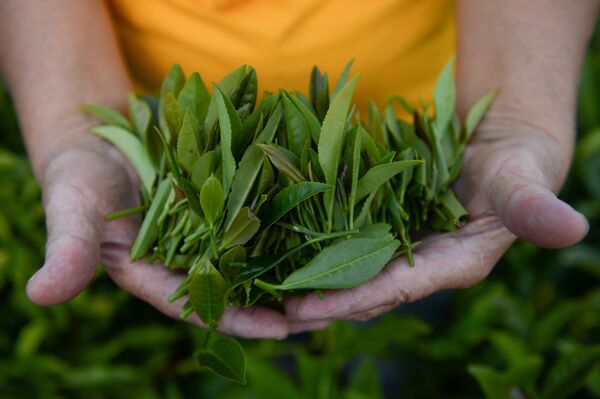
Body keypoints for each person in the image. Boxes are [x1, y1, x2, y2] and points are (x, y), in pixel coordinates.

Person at [0, 0, 596, 339]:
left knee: (387, 297)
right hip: (169, 142)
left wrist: (513, 109)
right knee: (225, 306)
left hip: (413, 147)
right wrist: (78, 128)